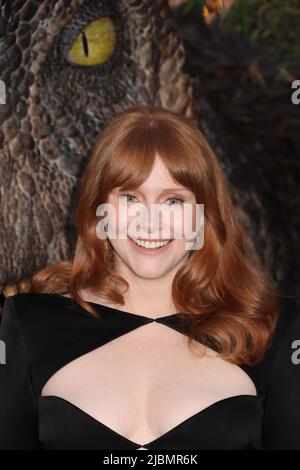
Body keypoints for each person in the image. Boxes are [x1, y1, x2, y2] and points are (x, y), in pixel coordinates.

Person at [0, 105, 299, 450]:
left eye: (173, 201)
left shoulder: (276, 329)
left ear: (203, 216)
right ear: (99, 211)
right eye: (130, 197)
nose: (150, 222)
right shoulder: (27, 322)